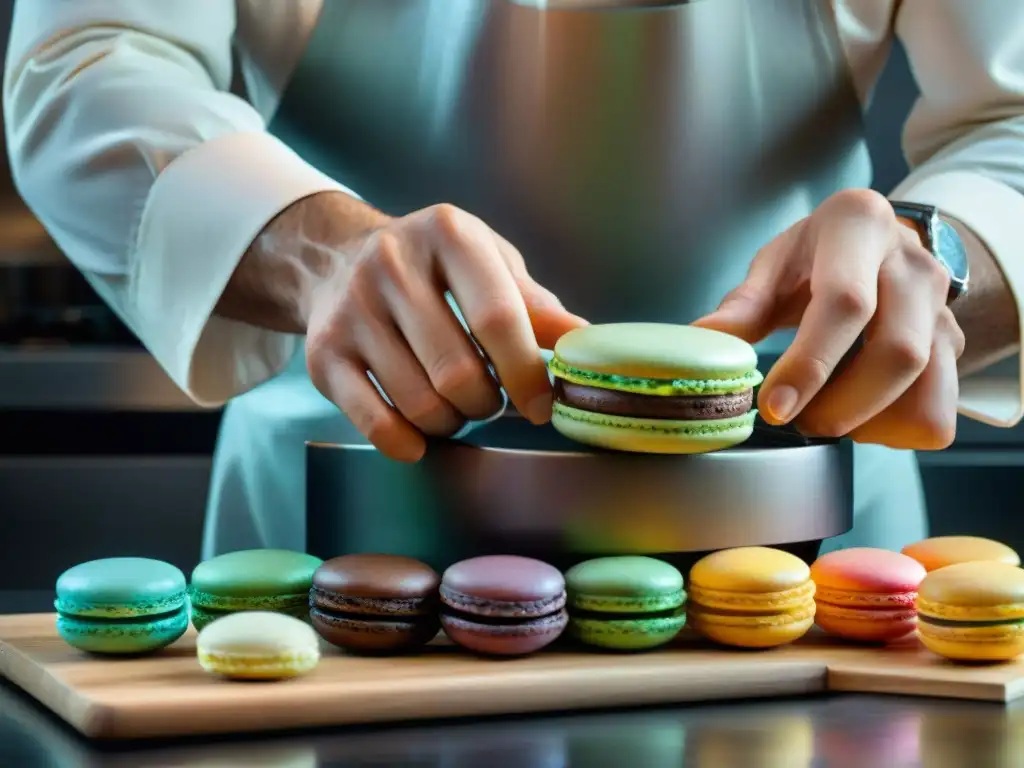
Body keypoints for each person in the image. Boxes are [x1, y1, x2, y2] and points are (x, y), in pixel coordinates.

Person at [4, 1, 1024, 559]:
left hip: (808, 528)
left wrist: (939, 260)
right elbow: (86, 57)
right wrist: (321, 250)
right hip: (351, 517)